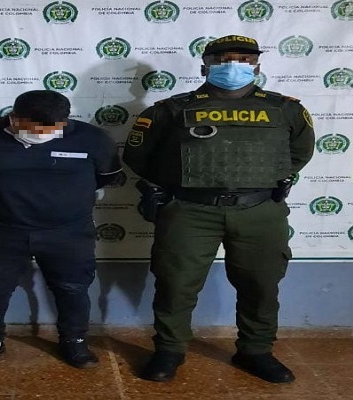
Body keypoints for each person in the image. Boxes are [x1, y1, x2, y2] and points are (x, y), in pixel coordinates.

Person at [122, 35, 315, 383]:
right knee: (176, 283)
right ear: (204, 67)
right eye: (222, 59)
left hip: (259, 210)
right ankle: (169, 350)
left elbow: (299, 153)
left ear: (257, 66)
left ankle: (256, 350)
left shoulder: (286, 109)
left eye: (244, 59)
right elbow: (139, 156)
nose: (233, 65)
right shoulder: (170, 110)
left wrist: (254, 181)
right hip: (189, 210)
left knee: (261, 284)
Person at [0, 90, 121, 371]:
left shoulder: (92, 139)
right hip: (0, 230)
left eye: (50, 128)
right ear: (14, 118)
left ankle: (74, 340)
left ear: (64, 121)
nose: (41, 134)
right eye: (33, 127)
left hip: (68, 232)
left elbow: (106, 176)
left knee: (73, 288)